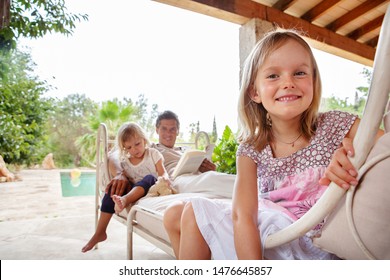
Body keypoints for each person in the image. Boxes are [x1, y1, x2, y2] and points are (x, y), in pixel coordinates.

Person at [163, 29, 384, 259]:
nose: (288, 82)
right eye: (273, 76)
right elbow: (243, 216)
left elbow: (385, 148)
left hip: (315, 244)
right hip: (273, 239)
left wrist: (357, 153)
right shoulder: (252, 149)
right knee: (175, 213)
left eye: (299, 72)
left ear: (313, 81)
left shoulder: (335, 125)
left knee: (190, 212)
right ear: (254, 92)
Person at [81, 122, 170, 252]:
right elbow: (123, 176)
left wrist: (165, 178)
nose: (134, 149)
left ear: (144, 140)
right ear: (124, 148)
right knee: (112, 189)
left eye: (137, 144)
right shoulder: (125, 162)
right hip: (134, 189)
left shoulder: (153, 154)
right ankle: (100, 232)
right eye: (129, 147)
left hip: (151, 187)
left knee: (149, 178)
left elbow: (162, 172)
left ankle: (125, 200)